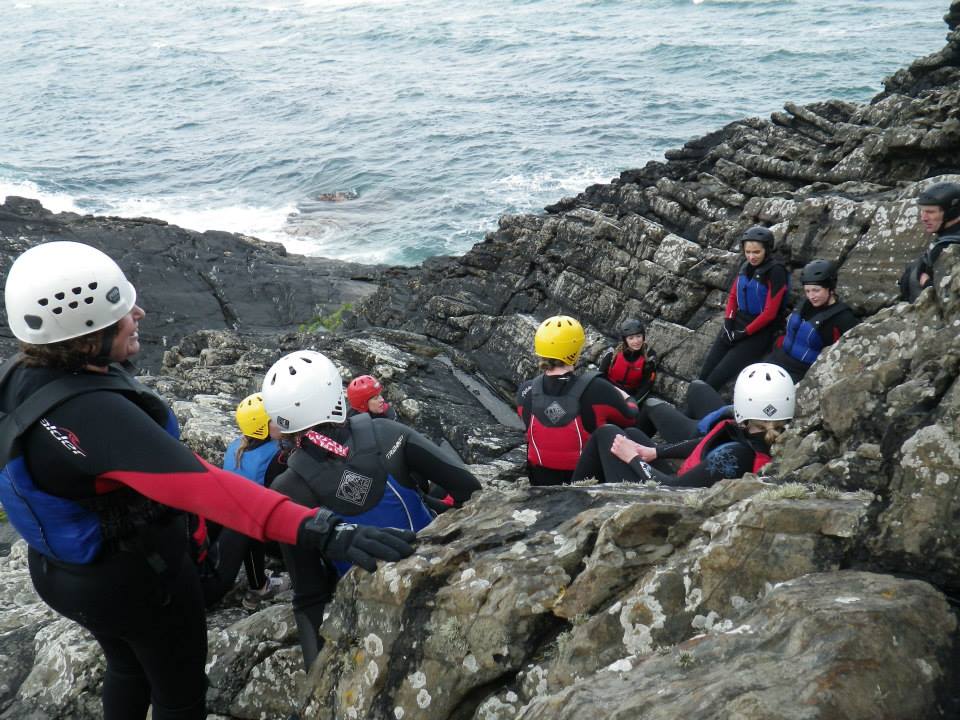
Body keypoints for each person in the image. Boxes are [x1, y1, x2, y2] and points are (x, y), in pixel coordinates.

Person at [0, 241, 415, 720]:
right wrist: (327, 530)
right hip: (134, 580)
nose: (139, 311)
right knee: (179, 696)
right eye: (121, 310)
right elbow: (205, 486)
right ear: (88, 333)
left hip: (61, 570)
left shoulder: (21, 376)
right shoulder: (93, 415)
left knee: (127, 667)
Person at [261, 350, 482, 670]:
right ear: (335, 392)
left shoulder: (286, 487)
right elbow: (469, 490)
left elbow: (309, 595)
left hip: (375, 615)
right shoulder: (387, 433)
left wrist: (316, 676)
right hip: (448, 582)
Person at [571, 363, 795, 488]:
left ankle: (571, 496)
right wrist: (654, 452)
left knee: (607, 434)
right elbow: (707, 442)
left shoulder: (737, 455)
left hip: (665, 503)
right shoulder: (751, 435)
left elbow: (673, 490)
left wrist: (633, 459)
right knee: (631, 433)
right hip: (684, 481)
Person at [516, 315, 639, 486]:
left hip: (540, 481)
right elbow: (631, 418)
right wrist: (627, 397)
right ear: (575, 352)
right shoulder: (597, 388)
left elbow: (527, 421)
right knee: (632, 433)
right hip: (584, 483)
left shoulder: (525, 390)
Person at [205, 393, 290, 610]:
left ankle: (257, 585)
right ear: (263, 427)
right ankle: (260, 588)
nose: (281, 420)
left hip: (231, 521)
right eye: (274, 418)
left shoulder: (235, 447)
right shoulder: (277, 458)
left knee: (248, 520)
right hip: (263, 531)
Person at [698, 226, 789, 391]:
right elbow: (733, 296)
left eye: (756, 252)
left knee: (715, 380)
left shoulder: (776, 272)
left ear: (767, 250)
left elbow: (770, 313)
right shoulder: (745, 266)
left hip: (760, 332)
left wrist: (745, 333)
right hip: (738, 322)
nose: (751, 257)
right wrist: (728, 322)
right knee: (703, 376)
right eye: (748, 252)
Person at [765, 259, 859, 383]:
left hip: (801, 373)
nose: (811, 296)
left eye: (816, 290)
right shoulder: (805, 304)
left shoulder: (844, 318)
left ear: (830, 288)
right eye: (807, 291)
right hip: (778, 358)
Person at [899, 181, 960, 302]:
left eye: (931, 212)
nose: (924, 218)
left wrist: (927, 284)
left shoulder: (948, 247)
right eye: (922, 211)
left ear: (952, 212)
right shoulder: (944, 239)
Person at [598, 318, 658, 402]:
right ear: (625, 340)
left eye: (638, 336)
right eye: (631, 338)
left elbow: (646, 386)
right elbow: (600, 374)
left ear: (643, 336)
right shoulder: (613, 352)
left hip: (629, 397)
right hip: (607, 389)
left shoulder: (649, 357)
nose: (636, 341)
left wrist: (633, 402)